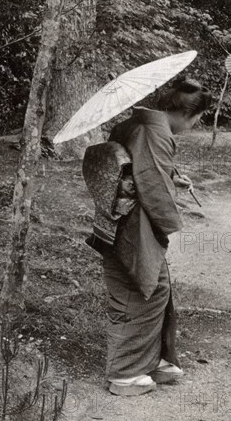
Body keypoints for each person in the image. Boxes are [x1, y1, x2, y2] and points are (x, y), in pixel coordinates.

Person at [83, 79, 212, 395]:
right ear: (184, 113)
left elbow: (141, 169)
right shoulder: (154, 131)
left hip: (121, 217)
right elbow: (151, 186)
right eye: (196, 119)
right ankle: (125, 373)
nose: (195, 125)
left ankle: (151, 360)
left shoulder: (136, 123)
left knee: (156, 286)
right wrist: (169, 222)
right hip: (131, 221)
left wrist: (172, 177)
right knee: (139, 289)